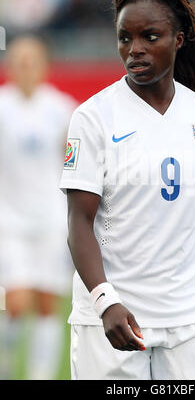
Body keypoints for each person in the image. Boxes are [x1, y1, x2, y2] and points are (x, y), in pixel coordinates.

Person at [60, 0, 195, 380]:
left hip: (194, 316)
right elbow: (79, 223)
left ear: (178, 39)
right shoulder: (92, 117)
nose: (135, 49)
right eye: (124, 37)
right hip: (114, 316)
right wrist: (104, 301)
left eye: (150, 36)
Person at [0, 36, 77, 379]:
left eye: (32, 60)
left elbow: (78, 161)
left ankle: (39, 375)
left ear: (44, 65)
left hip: (51, 219)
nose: (25, 67)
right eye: (19, 60)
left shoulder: (62, 108)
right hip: (8, 221)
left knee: (47, 305)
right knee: (13, 303)